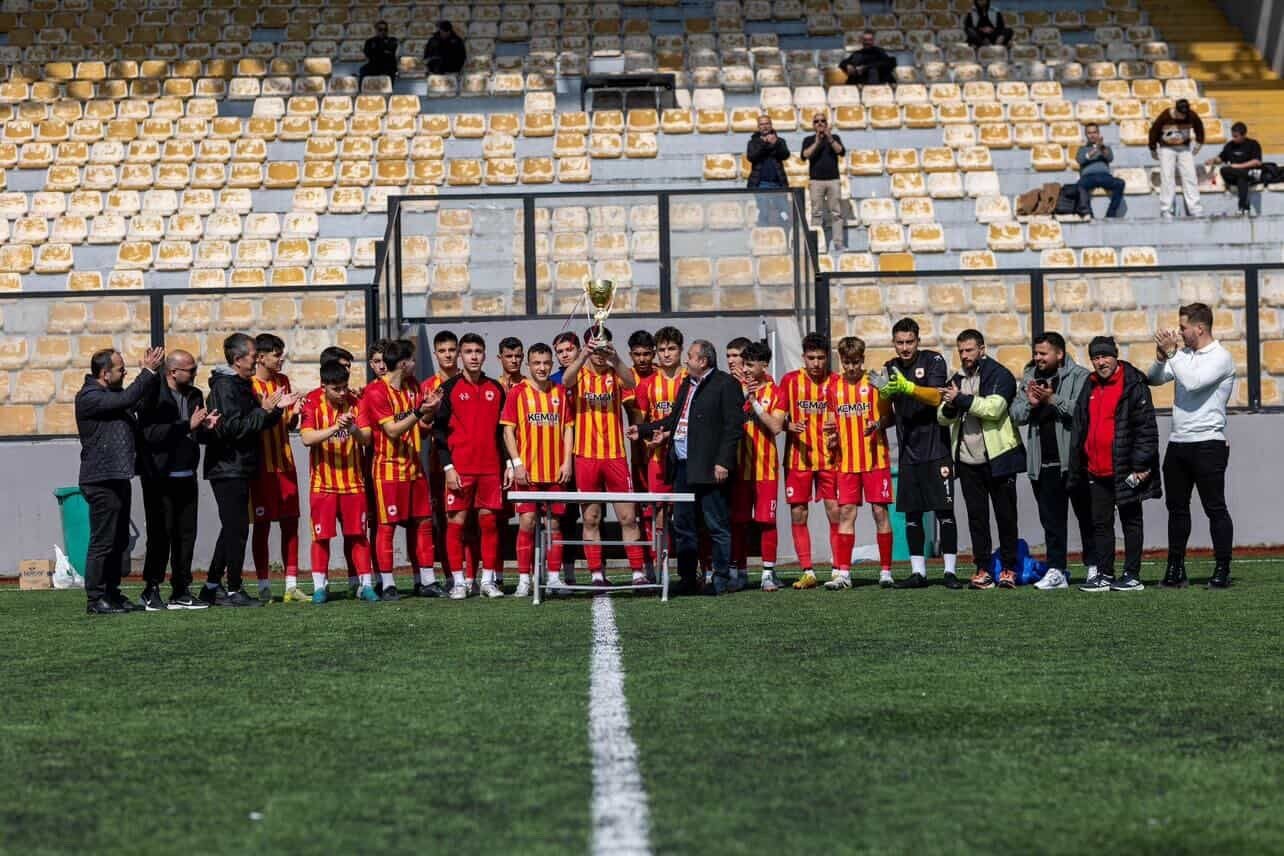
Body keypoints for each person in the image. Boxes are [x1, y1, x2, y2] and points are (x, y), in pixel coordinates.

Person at [630, 340, 744, 595]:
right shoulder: (687, 384)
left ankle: (721, 578)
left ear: (702, 361)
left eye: (690, 356)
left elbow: (733, 428)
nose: (686, 361)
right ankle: (687, 577)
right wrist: (643, 429)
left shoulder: (725, 384)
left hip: (710, 467)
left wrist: (723, 461)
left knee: (716, 524)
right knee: (683, 525)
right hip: (682, 466)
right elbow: (673, 419)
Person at [202, 334, 297, 607]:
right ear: (237, 359)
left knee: (232, 528)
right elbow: (232, 429)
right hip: (227, 467)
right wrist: (264, 410)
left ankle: (211, 586)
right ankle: (233, 588)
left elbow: (255, 423)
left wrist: (276, 410)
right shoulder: (225, 387)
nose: (256, 359)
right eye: (253, 354)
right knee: (237, 528)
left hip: (240, 466)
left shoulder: (240, 385)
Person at [1148, 303, 1236, 588]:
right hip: (1179, 443)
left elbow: (1194, 382)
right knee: (1177, 509)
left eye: (1183, 327)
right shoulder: (1183, 355)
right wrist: (1162, 357)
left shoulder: (1220, 357)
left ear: (1200, 328)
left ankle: (1222, 568)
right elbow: (1154, 379)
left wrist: (1173, 353)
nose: (1179, 332)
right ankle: (1175, 569)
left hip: (1208, 443)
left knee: (1215, 508)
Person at [75, 346, 164, 614]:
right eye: (120, 369)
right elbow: (127, 400)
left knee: (118, 540)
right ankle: (96, 599)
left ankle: (111, 593)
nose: (125, 372)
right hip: (101, 480)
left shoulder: (112, 394)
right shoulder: (89, 397)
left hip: (118, 476)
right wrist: (146, 372)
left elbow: (137, 399)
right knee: (103, 541)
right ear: (104, 373)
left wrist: (152, 376)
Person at [1070, 337, 1162, 592]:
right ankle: (1105, 574)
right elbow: (1080, 426)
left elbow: (1146, 428)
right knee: (1100, 524)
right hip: (1095, 469)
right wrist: (1079, 461)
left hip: (1126, 468)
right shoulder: (1089, 385)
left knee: (1131, 521)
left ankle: (1132, 575)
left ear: (1115, 355)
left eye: (1104, 356)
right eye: (1096, 358)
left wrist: (1141, 464)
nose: (1101, 362)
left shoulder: (1133, 383)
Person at [938, 330, 1026, 590]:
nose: (965, 355)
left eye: (970, 350)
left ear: (982, 349)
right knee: (977, 518)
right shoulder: (956, 379)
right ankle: (983, 569)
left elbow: (994, 409)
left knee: (1006, 516)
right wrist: (953, 405)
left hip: (999, 458)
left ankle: (1009, 569)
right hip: (967, 461)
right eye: (961, 351)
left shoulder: (1000, 375)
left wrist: (960, 400)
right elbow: (942, 416)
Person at [1009, 333, 1097, 591]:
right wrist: (1032, 404)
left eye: (1043, 353)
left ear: (1059, 354)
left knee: (1087, 518)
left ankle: (1094, 567)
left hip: (1076, 461)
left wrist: (1052, 400)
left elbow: (1083, 413)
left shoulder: (1080, 376)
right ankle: (1057, 569)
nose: (1037, 358)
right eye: (1035, 353)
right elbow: (1015, 414)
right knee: (1052, 522)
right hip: (1043, 463)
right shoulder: (1029, 377)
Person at [878, 318, 961, 588]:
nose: (904, 348)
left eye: (909, 342)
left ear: (918, 341)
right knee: (912, 514)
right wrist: (882, 395)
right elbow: (886, 415)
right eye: (900, 342)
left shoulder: (933, 361)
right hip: (908, 453)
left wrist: (908, 388)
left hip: (937, 450)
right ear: (894, 343)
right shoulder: (889, 367)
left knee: (944, 511)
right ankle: (919, 573)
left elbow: (937, 397)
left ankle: (949, 572)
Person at [562, 326, 647, 589]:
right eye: (594, 348)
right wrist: (583, 355)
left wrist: (615, 357)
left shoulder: (616, 372)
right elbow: (565, 380)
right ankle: (597, 573)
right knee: (591, 518)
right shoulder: (580, 374)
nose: (598, 354)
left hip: (615, 455)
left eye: (602, 347)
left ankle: (637, 572)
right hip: (585, 456)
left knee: (627, 517)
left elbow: (632, 382)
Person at [136, 350, 220, 611]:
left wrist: (206, 429)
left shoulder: (194, 395)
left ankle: (181, 589)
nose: (195, 374)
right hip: (159, 477)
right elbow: (151, 434)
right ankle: (151, 588)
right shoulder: (154, 395)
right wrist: (188, 425)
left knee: (186, 535)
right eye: (191, 370)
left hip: (186, 475)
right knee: (160, 535)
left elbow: (195, 434)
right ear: (173, 372)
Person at [358, 338, 442, 601]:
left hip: (414, 467)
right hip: (387, 469)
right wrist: (420, 412)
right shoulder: (376, 392)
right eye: (412, 360)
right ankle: (387, 583)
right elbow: (392, 430)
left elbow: (422, 422)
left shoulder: (414, 386)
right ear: (403, 363)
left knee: (423, 523)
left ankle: (426, 581)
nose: (415, 364)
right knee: (387, 526)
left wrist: (430, 410)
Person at [434, 333, 509, 599]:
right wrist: (448, 468)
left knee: (489, 525)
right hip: (460, 470)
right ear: (460, 356)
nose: (474, 356)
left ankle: (488, 581)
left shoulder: (496, 389)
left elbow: (504, 432)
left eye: (478, 351)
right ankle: (458, 582)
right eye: (468, 352)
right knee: (456, 524)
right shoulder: (450, 389)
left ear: (485, 354)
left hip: (490, 469)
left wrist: (509, 463)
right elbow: (439, 433)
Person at [300, 360, 376, 603]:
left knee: (358, 536)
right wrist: (335, 427)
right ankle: (320, 587)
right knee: (321, 538)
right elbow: (307, 438)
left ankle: (365, 585)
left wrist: (352, 428)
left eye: (345, 387)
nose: (343, 393)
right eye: (337, 389)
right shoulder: (312, 402)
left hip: (353, 483)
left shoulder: (356, 402)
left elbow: (366, 439)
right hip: (323, 484)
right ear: (324, 386)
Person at [501, 343, 574, 597]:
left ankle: (553, 578)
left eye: (546, 363)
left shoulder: (561, 392)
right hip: (528, 473)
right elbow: (507, 430)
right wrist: (517, 463)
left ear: (551, 364)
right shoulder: (518, 393)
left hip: (555, 473)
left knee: (554, 524)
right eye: (536, 363)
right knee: (527, 522)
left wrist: (567, 462)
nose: (542, 368)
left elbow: (567, 428)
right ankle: (524, 579)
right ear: (528, 365)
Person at [822, 337, 894, 589]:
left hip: (876, 460)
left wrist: (878, 424)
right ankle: (844, 574)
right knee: (846, 513)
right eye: (846, 362)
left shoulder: (874, 383)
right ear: (841, 361)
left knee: (879, 512)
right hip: (847, 463)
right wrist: (831, 437)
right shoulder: (833, 388)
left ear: (862, 360)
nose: (851, 367)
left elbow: (889, 417)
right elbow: (831, 423)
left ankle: (885, 571)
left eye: (855, 362)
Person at [779, 333, 838, 590]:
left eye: (821, 358)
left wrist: (838, 430)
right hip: (798, 458)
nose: (816, 363)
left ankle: (839, 569)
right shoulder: (790, 381)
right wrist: (788, 424)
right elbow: (775, 417)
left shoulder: (836, 383)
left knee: (835, 512)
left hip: (830, 458)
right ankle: (808, 571)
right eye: (811, 358)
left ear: (827, 358)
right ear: (803, 357)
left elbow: (849, 419)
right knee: (798, 513)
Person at [249, 333, 303, 603]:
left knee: (290, 523)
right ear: (260, 357)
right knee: (262, 526)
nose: (281, 359)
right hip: (261, 467)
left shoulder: (283, 381)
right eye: (276, 354)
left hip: (285, 462)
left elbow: (290, 423)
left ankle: (291, 586)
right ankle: (263, 586)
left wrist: (297, 412)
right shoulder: (248, 385)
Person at [631, 326, 686, 582]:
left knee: (688, 515)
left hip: (687, 459)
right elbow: (642, 425)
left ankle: (697, 569)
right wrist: (647, 441)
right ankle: (659, 569)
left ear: (680, 350)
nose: (666, 354)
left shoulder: (691, 379)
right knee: (659, 514)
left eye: (671, 349)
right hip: (657, 460)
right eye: (662, 349)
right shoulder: (648, 385)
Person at [731, 341, 787, 592]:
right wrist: (742, 397)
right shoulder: (734, 389)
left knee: (766, 521)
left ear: (764, 365)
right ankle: (739, 572)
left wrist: (754, 403)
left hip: (766, 469)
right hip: (738, 468)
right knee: (739, 521)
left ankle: (767, 573)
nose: (746, 370)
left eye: (751, 365)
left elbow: (776, 426)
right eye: (745, 364)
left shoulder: (777, 392)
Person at [1149, 98, 1205, 219]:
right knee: (1167, 177)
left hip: (1184, 147)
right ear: (1176, 110)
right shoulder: (1165, 115)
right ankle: (1166, 209)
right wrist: (1153, 148)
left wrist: (1199, 143)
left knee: (1190, 175)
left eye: (1185, 114)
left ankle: (1195, 208)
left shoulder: (1191, 115)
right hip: (1166, 147)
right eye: (1181, 114)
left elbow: (1199, 128)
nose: (1183, 116)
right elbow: (1154, 130)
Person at [801, 112, 847, 252]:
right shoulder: (808, 139)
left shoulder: (834, 138)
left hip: (833, 180)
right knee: (816, 213)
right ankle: (819, 244)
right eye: (817, 121)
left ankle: (838, 243)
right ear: (813, 125)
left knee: (836, 213)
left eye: (822, 121)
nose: (820, 123)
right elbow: (805, 155)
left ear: (827, 123)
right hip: (816, 181)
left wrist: (830, 138)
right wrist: (817, 142)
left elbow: (841, 152)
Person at [1206, 122, 1263, 217]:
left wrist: (1238, 166)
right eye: (1233, 136)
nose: (1234, 138)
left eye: (1236, 136)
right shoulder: (1230, 145)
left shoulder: (1253, 144)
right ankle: (1244, 208)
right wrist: (1213, 160)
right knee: (1224, 170)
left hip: (1250, 174)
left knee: (1241, 179)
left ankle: (1242, 208)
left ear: (1244, 135)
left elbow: (1257, 162)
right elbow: (1221, 158)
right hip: (1236, 175)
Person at [746, 115, 791, 227]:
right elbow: (752, 157)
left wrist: (775, 143)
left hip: (778, 184)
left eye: (767, 123)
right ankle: (764, 240)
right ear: (758, 127)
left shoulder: (780, 141)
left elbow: (785, 155)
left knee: (784, 213)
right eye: (762, 124)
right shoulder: (753, 142)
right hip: (761, 184)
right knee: (764, 213)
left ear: (771, 125)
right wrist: (765, 143)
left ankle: (784, 238)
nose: (765, 126)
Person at [1075, 124, 1125, 219]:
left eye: (1094, 132)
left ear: (1098, 134)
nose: (1092, 135)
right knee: (1079, 185)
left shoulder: (1105, 148)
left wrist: (1101, 148)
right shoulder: (1082, 149)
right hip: (1088, 177)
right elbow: (1080, 160)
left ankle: (1111, 214)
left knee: (1120, 183)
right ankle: (1088, 214)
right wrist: (1094, 150)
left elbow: (1110, 158)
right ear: (1086, 135)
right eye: (1089, 133)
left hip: (1104, 176)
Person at [359, 20, 399, 89]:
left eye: (385, 29)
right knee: (363, 70)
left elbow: (391, 52)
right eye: (380, 29)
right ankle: (361, 90)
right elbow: (368, 54)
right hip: (374, 64)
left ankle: (389, 91)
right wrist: (384, 51)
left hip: (388, 65)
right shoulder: (370, 41)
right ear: (376, 30)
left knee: (391, 70)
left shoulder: (392, 40)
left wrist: (377, 51)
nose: (383, 32)